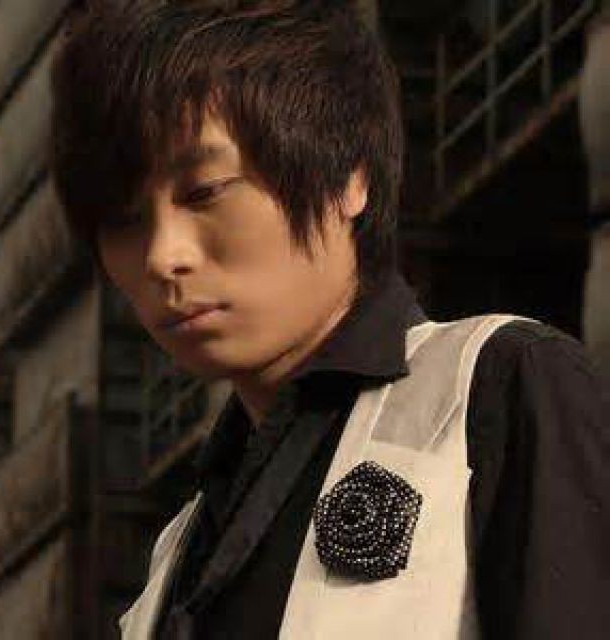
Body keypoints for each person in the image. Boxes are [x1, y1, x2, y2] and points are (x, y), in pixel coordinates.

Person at [49, 1, 609, 638]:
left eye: (204, 192)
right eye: (123, 220)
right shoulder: (175, 558)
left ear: (348, 176)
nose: (161, 256)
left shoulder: (495, 392)